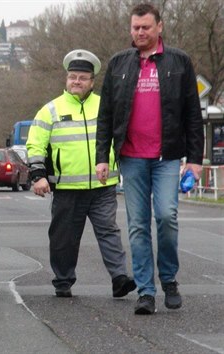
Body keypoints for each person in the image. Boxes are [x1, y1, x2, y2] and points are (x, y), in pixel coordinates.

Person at [96, 3, 204, 315]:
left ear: (159, 27)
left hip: (167, 157)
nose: (140, 32)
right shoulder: (118, 63)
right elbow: (106, 117)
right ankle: (146, 291)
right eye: (135, 27)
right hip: (131, 158)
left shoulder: (179, 61)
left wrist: (195, 160)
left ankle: (169, 278)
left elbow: (193, 116)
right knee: (138, 225)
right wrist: (103, 157)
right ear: (130, 30)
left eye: (145, 27)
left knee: (167, 216)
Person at [26, 49, 136, 298]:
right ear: (66, 79)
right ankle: (63, 281)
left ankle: (119, 278)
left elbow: (122, 138)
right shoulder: (51, 110)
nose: (76, 81)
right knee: (64, 237)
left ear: (92, 81)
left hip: (103, 185)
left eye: (82, 78)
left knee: (109, 231)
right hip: (66, 189)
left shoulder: (106, 106)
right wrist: (38, 175)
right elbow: (35, 145)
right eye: (72, 76)